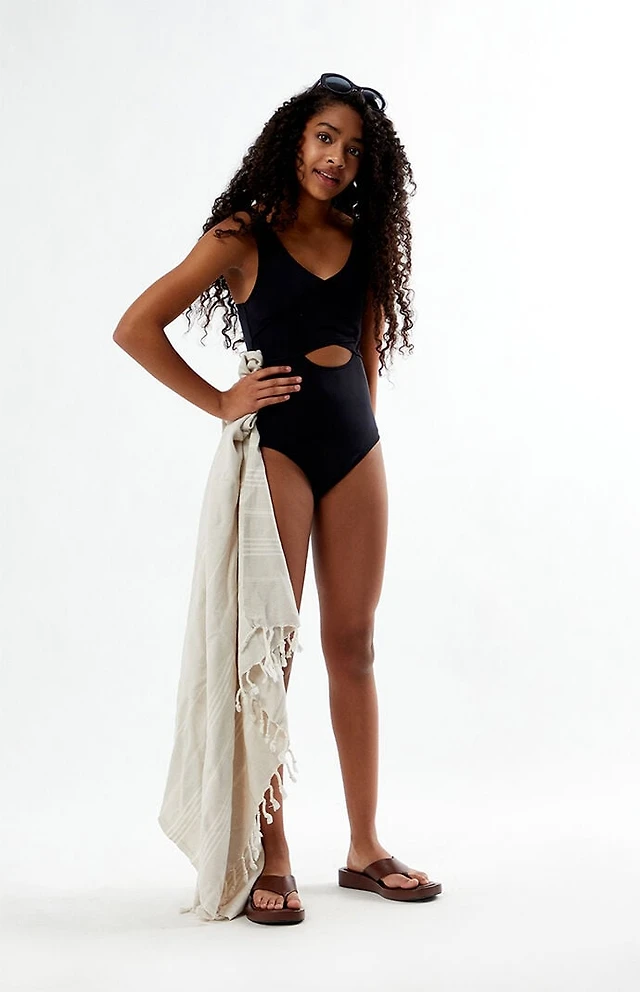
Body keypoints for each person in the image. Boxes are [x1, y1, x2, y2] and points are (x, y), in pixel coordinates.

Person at [113, 72, 441, 924]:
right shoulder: (242, 234)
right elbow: (136, 326)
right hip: (281, 449)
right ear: (295, 139)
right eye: (326, 138)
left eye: (355, 149)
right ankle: (273, 850)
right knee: (270, 654)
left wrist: (362, 434)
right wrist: (222, 401)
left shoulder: (364, 238)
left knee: (355, 643)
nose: (338, 158)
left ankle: (364, 846)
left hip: (355, 449)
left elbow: (365, 351)